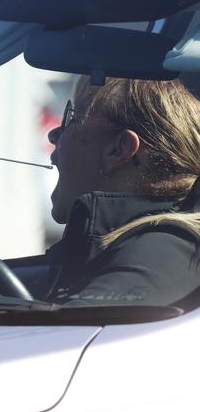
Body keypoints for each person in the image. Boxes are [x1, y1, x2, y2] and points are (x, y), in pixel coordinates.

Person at [42, 75, 200, 306]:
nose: (54, 135)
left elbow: (63, 338)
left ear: (119, 150)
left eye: (71, 119)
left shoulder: (162, 253)